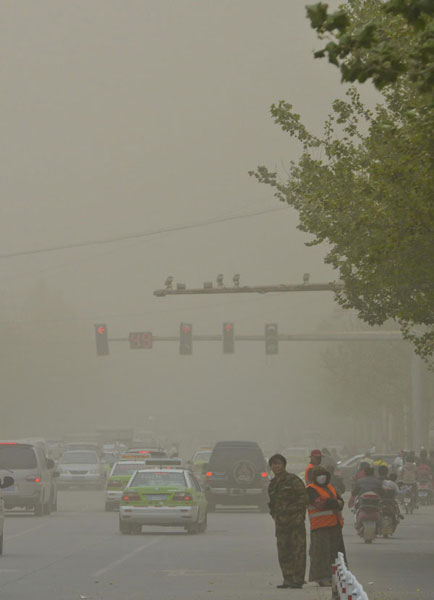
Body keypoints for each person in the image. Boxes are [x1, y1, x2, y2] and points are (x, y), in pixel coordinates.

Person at [268, 453, 308, 589]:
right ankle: (288, 579)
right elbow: (272, 504)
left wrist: (299, 516)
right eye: (274, 464)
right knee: (284, 552)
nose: (276, 466)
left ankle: (298, 580)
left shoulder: (293, 480)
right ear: (271, 467)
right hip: (281, 524)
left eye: (279, 463)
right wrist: (275, 516)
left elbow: (304, 498)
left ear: (284, 465)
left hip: (295, 522)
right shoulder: (272, 484)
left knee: (298, 552)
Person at [307, 466, 346, 587]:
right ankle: (322, 578)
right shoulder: (310, 489)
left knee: (335, 553)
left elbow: (341, 502)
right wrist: (334, 503)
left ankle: (335, 576)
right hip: (320, 526)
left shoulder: (330, 487)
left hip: (334, 524)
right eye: (319, 475)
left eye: (324, 475)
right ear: (314, 477)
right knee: (320, 554)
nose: (322, 477)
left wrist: (334, 503)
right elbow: (320, 504)